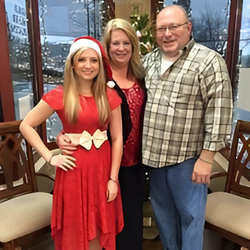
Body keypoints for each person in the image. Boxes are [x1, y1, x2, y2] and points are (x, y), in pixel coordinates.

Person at [141, 5, 233, 250]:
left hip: (189, 161)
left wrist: (207, 158)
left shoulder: (208, 61)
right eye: (162, 28)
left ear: (188, 28)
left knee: (191, 219)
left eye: (174, 27)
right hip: (155, 160)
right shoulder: (148, 61)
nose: (167, 34)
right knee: (164, 219)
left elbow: (220, 112)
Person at [20, 36, 124, 250]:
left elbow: (117, 138)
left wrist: (113, 179)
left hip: (102, 170)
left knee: (97, 225)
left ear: (100, 65)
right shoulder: (60, 95)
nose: (88, 65)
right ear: (73, 65)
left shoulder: (109, 95)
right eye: (82, 60)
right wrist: (50, 157)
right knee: (76, 227)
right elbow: (26, 126)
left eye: (94, 60)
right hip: (73, 170)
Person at [57, 19, 146, 250]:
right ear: (107, 47)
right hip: (104, 164)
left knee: (131, 221)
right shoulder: (99, 80)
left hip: (135, 161)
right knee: (101, 223)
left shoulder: (143, 75)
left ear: (133, 46)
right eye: (115, 43)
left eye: (126, 42)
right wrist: (64, 136)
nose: (121, 48)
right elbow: (78, 111)